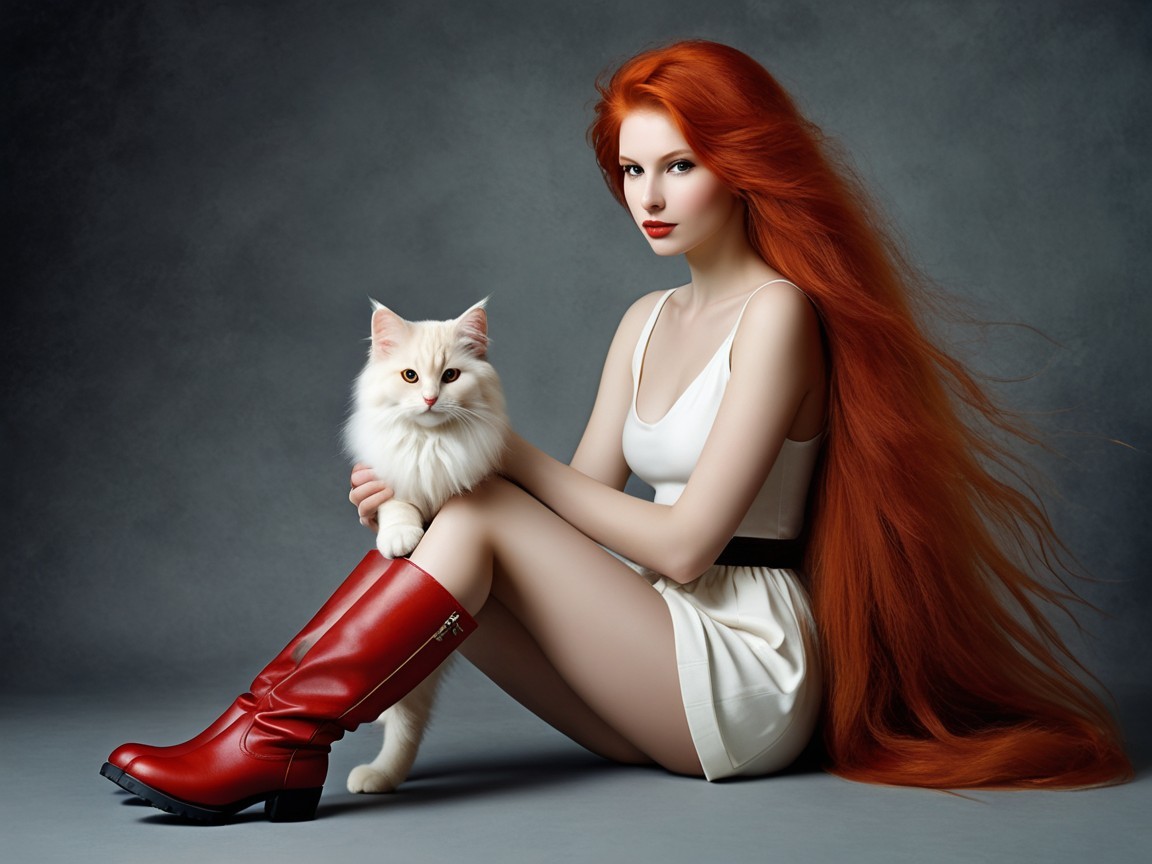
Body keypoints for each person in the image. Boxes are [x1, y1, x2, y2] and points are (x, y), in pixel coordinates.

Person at [101, 40, 1131, 823]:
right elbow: (570, 517)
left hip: (742, 664)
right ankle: (269, 733)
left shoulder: (780, 315)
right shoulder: (643, 321)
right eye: (631, 171)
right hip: (649, 644)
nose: (648, 197)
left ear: (739, 168)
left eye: (677, 166)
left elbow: (682, 547)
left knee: (487, 496)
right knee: (462, 507)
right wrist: (420, 490)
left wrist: (498, 468)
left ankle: (270, 738)